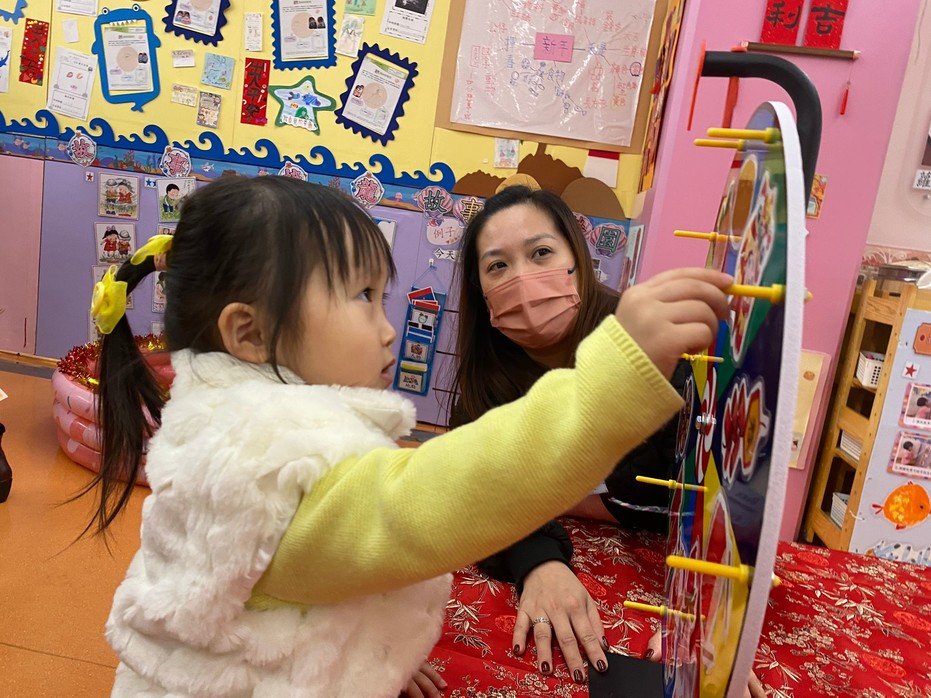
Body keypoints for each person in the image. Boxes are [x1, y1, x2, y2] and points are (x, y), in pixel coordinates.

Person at [84, 176, 729, 696]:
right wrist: (613, 384)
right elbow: (444, 494)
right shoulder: (268, 471)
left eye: (383, 297)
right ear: (250, 334)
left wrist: (364, 654)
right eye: (363, 297)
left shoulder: (233, 426)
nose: (388, 327)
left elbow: (305, 586)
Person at [451, 185, 693, 679]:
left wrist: (705, 611)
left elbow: (708, 496)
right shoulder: (485, 379)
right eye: (498, 266)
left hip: (668, 572)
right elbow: (472, 484)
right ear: (480, 290)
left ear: (577, 258)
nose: (522, 278)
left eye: (541, 253)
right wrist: (538, 560)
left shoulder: (649, 347)